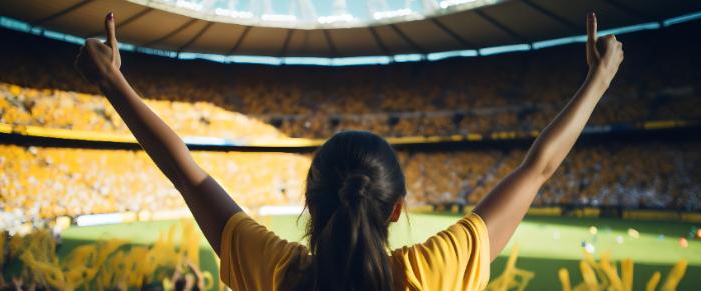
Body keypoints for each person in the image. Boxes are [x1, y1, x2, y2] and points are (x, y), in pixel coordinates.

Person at [75, 11, 622, 291]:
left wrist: (116, 85)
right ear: (397, 209)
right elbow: (538, 169)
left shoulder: (276, 272)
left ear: (310, 206)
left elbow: (188, 175)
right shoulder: (431, 273)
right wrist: (596, 83)